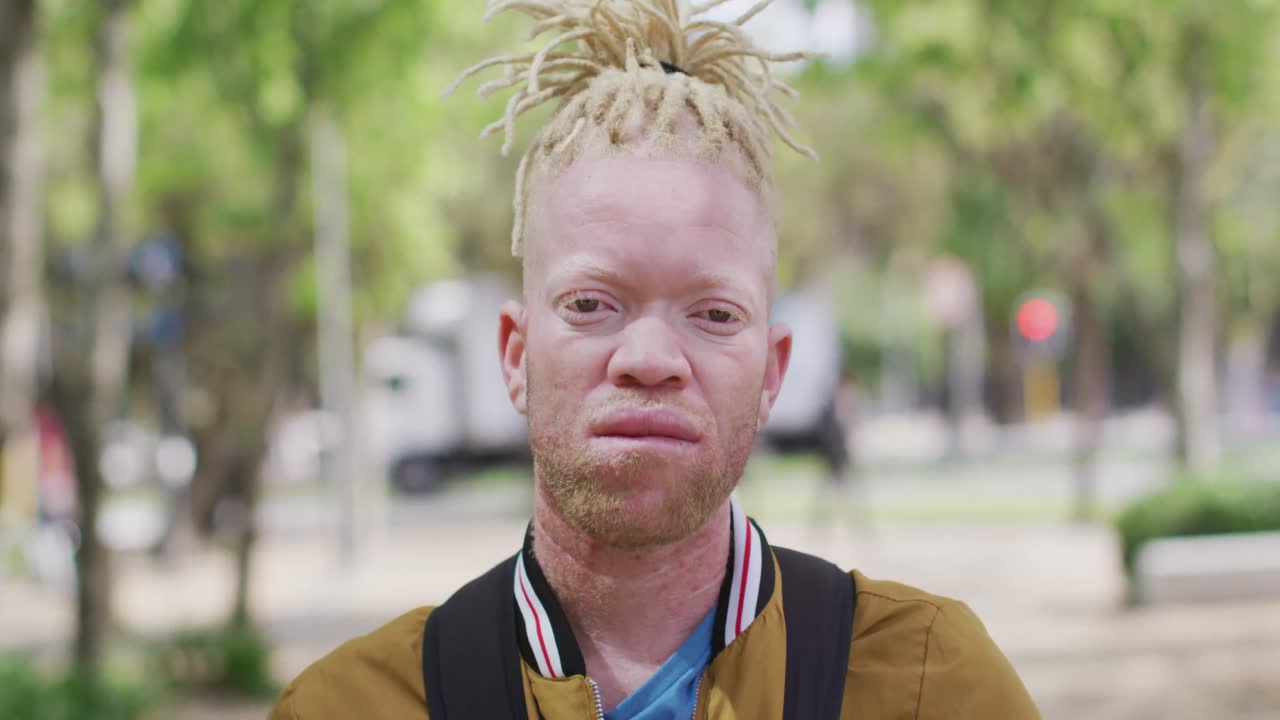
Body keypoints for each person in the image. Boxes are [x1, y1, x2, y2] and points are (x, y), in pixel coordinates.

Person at [269, 1, 1040, 718]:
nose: (648, 359)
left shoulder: (929, 684)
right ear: (514, 354)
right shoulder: (349, 706)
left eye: (714, 314)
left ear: (771, 373)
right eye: (590, 304)